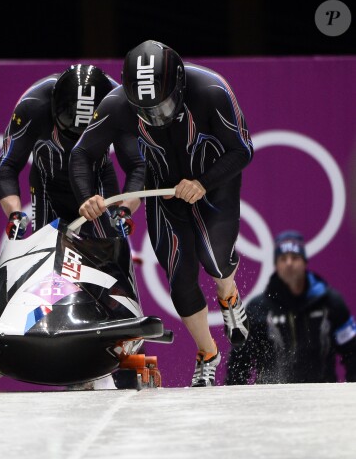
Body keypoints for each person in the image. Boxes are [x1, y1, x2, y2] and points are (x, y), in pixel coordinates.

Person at [69, 40, 254, 387]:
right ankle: (208, 353)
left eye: (163, 106)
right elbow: (82, 154)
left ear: (180, 85)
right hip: (163, 193)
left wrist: (202, 182)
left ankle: (228, 294)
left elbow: (242, 150)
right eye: (145, 110)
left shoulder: (212, 90)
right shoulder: (117, 105)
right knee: (181, 277)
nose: (156, 116)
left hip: (213, 183)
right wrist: (87, 197)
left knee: (215, 258)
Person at [0, 64, 143, 240]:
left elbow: (138, 165)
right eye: (70, 133)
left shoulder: (118, 103)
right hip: (47, 185)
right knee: (46, 257)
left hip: (98, 188)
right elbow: (7, 165)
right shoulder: (33, 104)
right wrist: (15, 214)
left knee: (109, 250)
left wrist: (124, 209)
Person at [226, 230, 356, 384]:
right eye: (283, 258)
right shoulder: (258, 308)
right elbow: (239, 362)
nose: (289, 263)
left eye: (295, 258)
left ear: (304, 262)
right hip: (271, 401)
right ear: (276, 265)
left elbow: (352, 352)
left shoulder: (330, 303)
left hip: (322, 398)